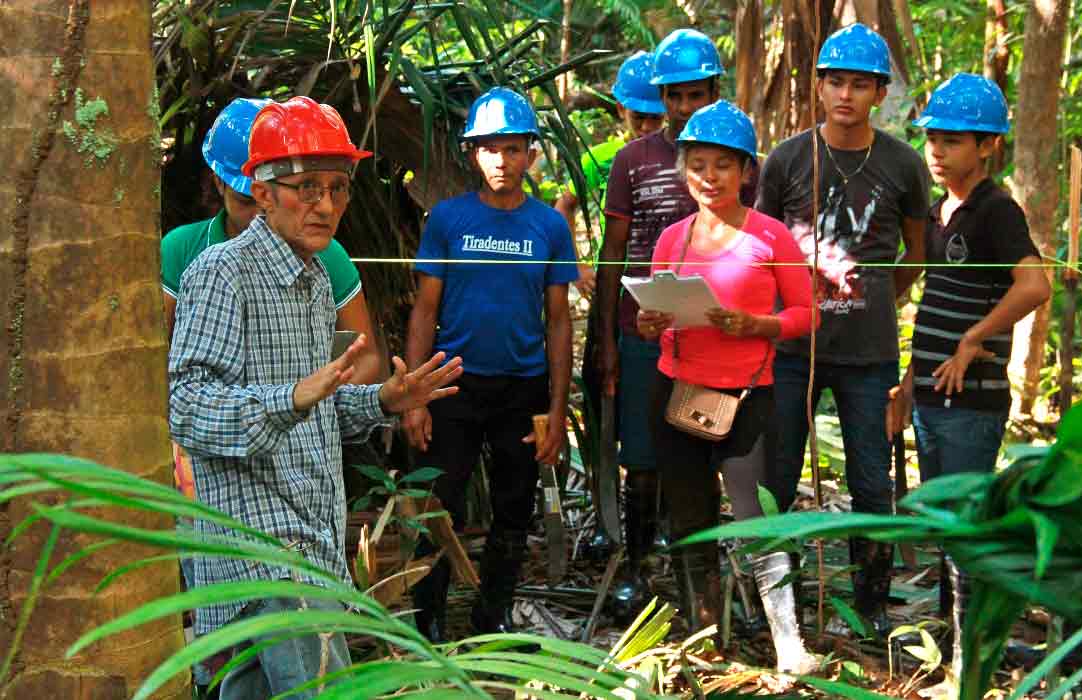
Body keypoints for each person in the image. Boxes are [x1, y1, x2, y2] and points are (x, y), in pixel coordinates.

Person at [168, 95, 463, 699]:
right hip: (267, 546)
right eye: (305, 187)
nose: (325, 204)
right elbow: (189, 407)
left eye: (337, 187)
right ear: (264, 191)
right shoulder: (222, 272)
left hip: (309, 532)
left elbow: (317, 410)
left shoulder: (314, 275)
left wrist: (383, 398)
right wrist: (290, 398)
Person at [755, 22, 929, 636]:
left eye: (860, 84)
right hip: (791, 348)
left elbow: (916, 252)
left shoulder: (904, 164)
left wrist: (874, 295)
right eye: (836, 82)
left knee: (870, 480)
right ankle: (777, 603)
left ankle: (872, 604)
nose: (846, 95)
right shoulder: (786, 159)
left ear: (880, 92)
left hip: (870, 351)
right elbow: (760, 248)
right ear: (819, 85)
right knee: (776, 474)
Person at [636, 100, 819, 674]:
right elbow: (658, 310)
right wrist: (650, 322)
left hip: (746, 398)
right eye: (697, 165)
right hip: (678, 392)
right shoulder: (673, 238)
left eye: (722, 165)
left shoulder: (771, 237)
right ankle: (705, 638)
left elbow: (807, 313)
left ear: (746, 171)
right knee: (689, 519)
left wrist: (758, 326)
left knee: (753, 516)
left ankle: (788, 641)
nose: (708, 177)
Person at [885, 73, 1049, 678]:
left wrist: (975, 338)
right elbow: (930, 306)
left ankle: (970, 659)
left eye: (953, 141)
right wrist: (907, 382)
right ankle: (959, 646)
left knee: (965, 530)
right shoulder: (938, 212)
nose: (938, 150)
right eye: (933, 138)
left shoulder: (996, 210)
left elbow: (1034, 285)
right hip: (931, 393)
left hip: (972, 400)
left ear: (987, 147)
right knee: (946, 528)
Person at [405, 87, 578, 641]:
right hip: (452, 386)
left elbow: (558, 321)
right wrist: (415, 394)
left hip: (521, 389)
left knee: (513, 506)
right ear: (472, 154)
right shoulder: (448, 221)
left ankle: (492, 614)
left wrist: (555, 410)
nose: (502, 160)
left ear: (530, 153)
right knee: (440, 501)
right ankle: (426, 617)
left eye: (513, 148)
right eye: (490, 149)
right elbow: (424, 309)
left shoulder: (549, 227)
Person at [595, 29, 754, 617]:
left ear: (714, 89)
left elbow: (750, 237)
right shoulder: (633, 160)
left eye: (696, 94)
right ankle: (636, 572)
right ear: (660, 97)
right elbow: (614, 251)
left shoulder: (732, 154)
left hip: (715, 332)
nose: (685, 107)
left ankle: (700, 582)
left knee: (699, 449)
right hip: (645, 330)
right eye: (674, 96)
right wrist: (605, 338)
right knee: (640, 454)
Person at [162, 98, 385, 384]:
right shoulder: (185, 251)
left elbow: (365, 358)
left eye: (336, 189)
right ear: (219, 183)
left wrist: (319, 405)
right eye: (247, 200)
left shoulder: (325, 256)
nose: (262, 214)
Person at [553, 50, 665, 297]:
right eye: (638, 117)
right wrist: (577, 267)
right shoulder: (602, 157)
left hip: (665, 284)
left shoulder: (678, 156)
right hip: (614, 286)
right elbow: (564, 205)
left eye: (655, 119)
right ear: (621, 109)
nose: (646, 127)